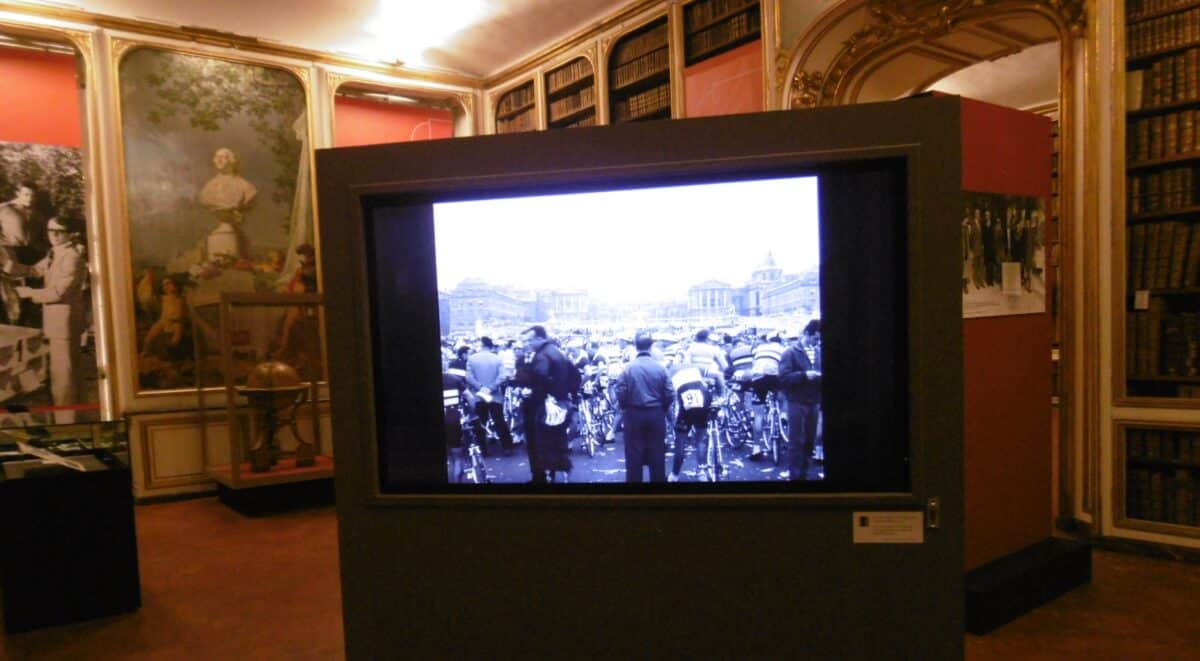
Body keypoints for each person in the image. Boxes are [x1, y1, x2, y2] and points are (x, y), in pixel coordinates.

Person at [4, 217, 88, 423]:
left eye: (59, 231)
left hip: (65, 326)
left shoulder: (72, 258)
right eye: (51, 230)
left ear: (71, 234)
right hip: (59, 325)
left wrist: (27, 293)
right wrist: (9, 266)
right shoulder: (54, 253)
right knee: (65, 377)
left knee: (64, 380)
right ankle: (73, 419)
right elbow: (34, 270)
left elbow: (58, 293)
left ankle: (67, 424)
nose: (54, 235)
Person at [614, 330, 674, 483]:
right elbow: (669, 393)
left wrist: (625, 406)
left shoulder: (628, 368)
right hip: (656, 413)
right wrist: (663, 408)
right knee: (657, 454)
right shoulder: (661, 368)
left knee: (633, 455)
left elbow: (620, 392)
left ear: (635, 346)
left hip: (633, 414)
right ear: (651, 346)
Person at [521, 325, 573, 482]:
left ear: (539, 338)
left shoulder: (541, 356)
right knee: (556, 440)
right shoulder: (559, 352)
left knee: (537, 442)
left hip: (541, 406)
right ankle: (557, 470)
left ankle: (539, 476)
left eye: (529, 340)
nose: (527, 343)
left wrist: (531, 393)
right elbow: (575, 375)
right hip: (561, 403)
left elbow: (540, 377)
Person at [779, 320, 822, 481]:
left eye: (819, 340)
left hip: (815, 401)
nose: (817, 342)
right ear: (807, 334)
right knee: (796, 441)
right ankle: (795, 477)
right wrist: (804, 376)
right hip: (797, 401)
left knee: (810, 440)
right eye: (815, 338)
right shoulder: (790, 352)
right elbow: (783, 378)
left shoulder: (819, 352)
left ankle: (804, 474)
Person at [199, 147, 257, 260]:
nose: (218, 160)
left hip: (234, 233)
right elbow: (204, 200)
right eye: (216, 157)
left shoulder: (246, 187)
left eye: (223, 157)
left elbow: (250, 198)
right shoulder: (208, 188)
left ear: (232, 161)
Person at [667, 362, 721, 482]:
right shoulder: (695, 366)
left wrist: (672, 421)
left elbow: (670, 399)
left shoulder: (669, 372)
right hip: (703, 395)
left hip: (685, 400)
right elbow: (718, 375)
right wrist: (721, 395)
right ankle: (701, 471)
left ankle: (674, 475)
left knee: (680, 441)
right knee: (701, 437)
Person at [466, 336, 514, 456]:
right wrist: (491, 387)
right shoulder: (497, 359)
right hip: (494, 395)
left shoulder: (472, 359)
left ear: (481, 345)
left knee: (480, 422)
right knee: (499, 420)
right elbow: (503, 376)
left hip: (478, 395)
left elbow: (469, 377)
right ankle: (507, 446)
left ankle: (483, 449)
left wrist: (480, 387)